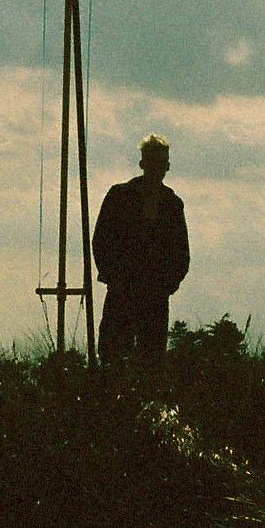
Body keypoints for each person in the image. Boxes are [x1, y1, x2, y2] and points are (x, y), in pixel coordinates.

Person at [92, 134, 189, 366]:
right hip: (123, 290)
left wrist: (167, 285)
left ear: (167, 165)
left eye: (161, 161)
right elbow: (101, 241)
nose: (158, 167)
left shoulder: (172, 203)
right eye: (153, 161)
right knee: (113, 356)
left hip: (153, 293)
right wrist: (114, 278)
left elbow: (180, 252)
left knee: (151, 358)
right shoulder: (119, 196)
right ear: (143, 163)